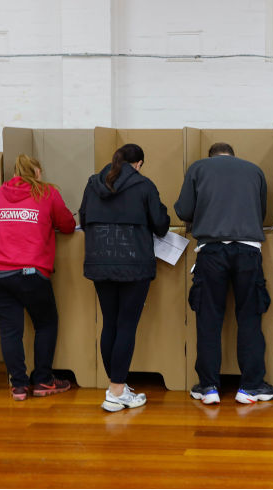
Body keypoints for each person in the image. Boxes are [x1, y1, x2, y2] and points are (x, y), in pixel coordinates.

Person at [175, 142, 273, 405]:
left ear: (211, 156)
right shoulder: (254, 170)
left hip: (211, 251)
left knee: (208, 317)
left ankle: (208, 387)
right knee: (250, 316)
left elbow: (183, 210)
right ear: (233, 155)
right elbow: (261, 213)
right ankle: (251, 386)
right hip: (248, 250)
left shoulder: (198, 168)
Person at [80, 144, 170, 412]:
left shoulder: (93, 183)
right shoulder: (144, 186)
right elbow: (161, 226)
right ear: (139, 163)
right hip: (134, 263)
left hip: (99, 259)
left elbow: (83, 220)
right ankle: (116, 391)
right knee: (127, 325)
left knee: (110, 322)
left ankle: (115, 386)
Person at [0, 154, 76, 401]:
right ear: (37, 172)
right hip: (29, 270)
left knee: (9, 330)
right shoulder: (47, 193)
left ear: (15, 172)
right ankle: (44, 380)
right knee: (45, 323)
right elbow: (67, 224)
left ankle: (19, 386)